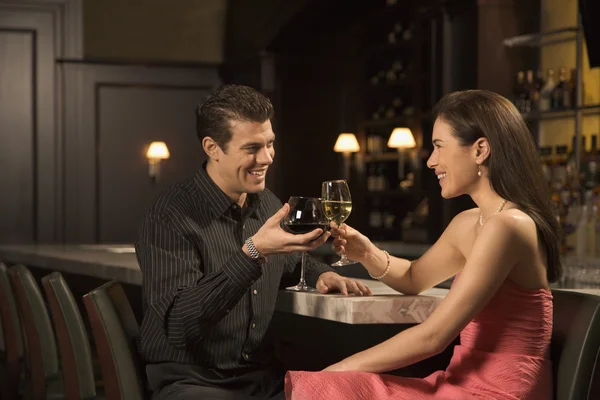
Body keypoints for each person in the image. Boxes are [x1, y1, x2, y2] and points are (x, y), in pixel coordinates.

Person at [285, 90, 562, 400]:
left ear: (480, 149)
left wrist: (337, 371)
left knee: (332, 386)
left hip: (500, 391)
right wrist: (367, 253)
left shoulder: (509, 226)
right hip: (461, 381)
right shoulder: (471, 222)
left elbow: (434, 337)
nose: (431, 161)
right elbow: (415, 278)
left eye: (439, 147)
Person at [135, 84, 372, 400]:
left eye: (270, 144)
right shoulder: (170, 214)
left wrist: (321, 275)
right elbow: (179, 326)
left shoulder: (268, 204)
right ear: (212, 147)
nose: (267, 158)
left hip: (260, 379)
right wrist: (252, 252)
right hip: (190, 382)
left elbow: (288, 263)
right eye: (251, 148)